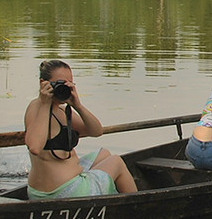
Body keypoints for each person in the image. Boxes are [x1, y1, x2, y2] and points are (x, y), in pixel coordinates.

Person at [25, 59, 138, 199]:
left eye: (68, 84)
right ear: (43, 83)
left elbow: (96, 131)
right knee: (116, 161)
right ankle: (135, 205)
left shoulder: (61, 110)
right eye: (59, 84)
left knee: (104, 153)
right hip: (61, 193)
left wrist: (77, 105)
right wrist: (44, 103)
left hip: (62, 184)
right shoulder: (36, 108)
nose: (64, 88)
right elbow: (35, 147)